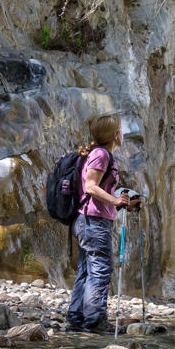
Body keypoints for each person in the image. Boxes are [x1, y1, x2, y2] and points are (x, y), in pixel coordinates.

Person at [65, 114, 141, 333]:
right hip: (93, 222)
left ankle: (77, 319)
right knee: (100, 270)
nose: (123, 133)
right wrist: (116, 200)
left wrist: (122, 202)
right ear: (115, 134)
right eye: (121, 130)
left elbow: (97, 190)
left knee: (87, 270)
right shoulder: (101, 154)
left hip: (86, 220)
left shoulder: (97, 154)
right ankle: (95, 321)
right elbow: (90, 186)